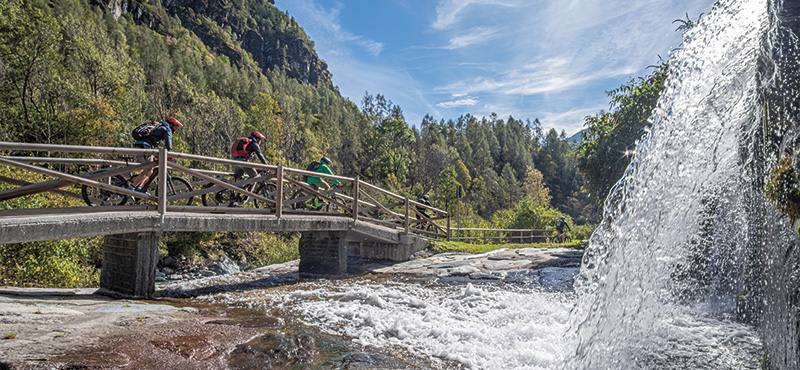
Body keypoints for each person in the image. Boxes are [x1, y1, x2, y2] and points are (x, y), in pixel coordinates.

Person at [130, 117, 183, 192]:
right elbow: (168, 144)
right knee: (148, 169)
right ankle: (131, 188)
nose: (176, 129)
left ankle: (139, 187)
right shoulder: (167, 129)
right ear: (171, 125)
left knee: (150, 171)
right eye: (176, 127)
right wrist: (170, 155)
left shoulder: (160, 126)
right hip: (145, 146)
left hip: (141, 145)